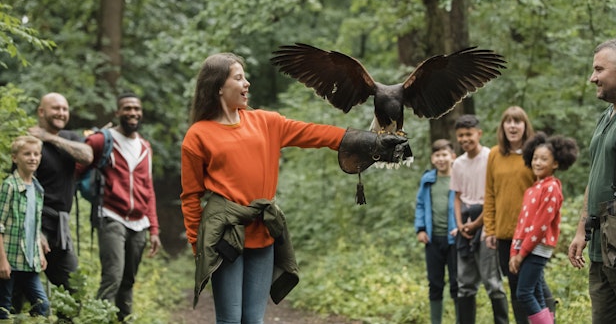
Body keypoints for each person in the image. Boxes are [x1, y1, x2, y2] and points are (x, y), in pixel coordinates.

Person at [180, 53, 410, 324]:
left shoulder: (266, 122)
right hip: (225, 236)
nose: (247, 84)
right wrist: (199, 247)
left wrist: (370, 142)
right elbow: (190, 198)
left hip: (264, 230)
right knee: (230, 320)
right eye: (239, 78)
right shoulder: (198, 136)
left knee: (254, 320)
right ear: (218, 86)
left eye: (246, 77)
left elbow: (315, 133)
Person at [568, 38, 616, 324]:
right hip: (600, 246)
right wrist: (581, 230)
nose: (592, 78)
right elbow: (596, 174)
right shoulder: (606, 116)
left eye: (599, 70)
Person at [80, 92, 162, 322]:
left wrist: (154, 229)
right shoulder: (102, 140)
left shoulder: (145, 147)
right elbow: (78, 166)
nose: (132, 113)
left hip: (139, 222)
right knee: (113, 277)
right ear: (118, 112)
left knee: (128, 281)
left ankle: (123, 319)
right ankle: (99, 319)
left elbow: (149, 189)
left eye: (136, 108)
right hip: (111, 215)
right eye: (127, 108)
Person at [483, 106, 555, 323]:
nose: (513, 126)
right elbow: (489, 193)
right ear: (503, 126)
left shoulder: (536, 155)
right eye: (508, 121)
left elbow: (546, 190)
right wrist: (490, 229)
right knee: (516, 286)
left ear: (525, 127)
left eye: (518, 121)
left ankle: (548, 319)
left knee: (534, 285)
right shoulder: (495, 154)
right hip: (505, 234)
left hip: (529, 234)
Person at [26, 93, 93, 292]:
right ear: (41, 111)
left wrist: (50, 138)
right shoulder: (30, 144)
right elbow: (25, 188)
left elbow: (87, 155)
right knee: (20, 289)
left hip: (60, 227)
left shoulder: (70, 138)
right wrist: (36, 232)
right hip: (37, 223)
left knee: (75, 291)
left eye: (64, 109)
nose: (61, 113)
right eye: (56, 108)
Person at [509, 132, 578, 324]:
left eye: (544, 159)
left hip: (537, 248)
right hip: (525, 247)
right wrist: (514, 252)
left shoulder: (552, 187)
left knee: (524, 293)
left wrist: (521, 254)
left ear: (555, 163)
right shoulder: (532, 189)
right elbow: (521, 224)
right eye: (535, 158)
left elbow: (540, 226)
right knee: (537, 293)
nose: (538, 163)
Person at [450, 114, 508, 324]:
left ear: (479, 134)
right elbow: (456, 196)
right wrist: (459, 224)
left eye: (469, 134)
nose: (465, 139)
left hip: (486, 224)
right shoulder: (457, 163)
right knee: (465, 283)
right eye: (461, 136)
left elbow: (495, 195)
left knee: (492, 282)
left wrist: (477, 224)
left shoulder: (491, 156)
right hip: (464, 223)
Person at [0, 136, 49, 319]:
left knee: (42, 305)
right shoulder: (9, 186)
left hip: (29, 260)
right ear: (15, 158)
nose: (32, 158)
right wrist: (2, 260)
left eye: (36, 154)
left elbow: (33, 226)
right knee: (4, 308)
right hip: (9, 260)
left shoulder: (38, 189)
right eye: (27, 154)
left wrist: (40, 253)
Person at [414, 139, 459, 324]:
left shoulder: (459, 179)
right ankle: (436, 321)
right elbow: (420, 205)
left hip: (455, 239)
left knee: (458, 284)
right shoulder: (428, 180)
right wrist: (421, 229)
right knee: (435, 283)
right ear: (432, 158)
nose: (441, 159)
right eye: (437, 155)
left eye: (444, 155)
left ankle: (460, 319)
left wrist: (462, 227)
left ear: (453, 157)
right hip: (432, 240)